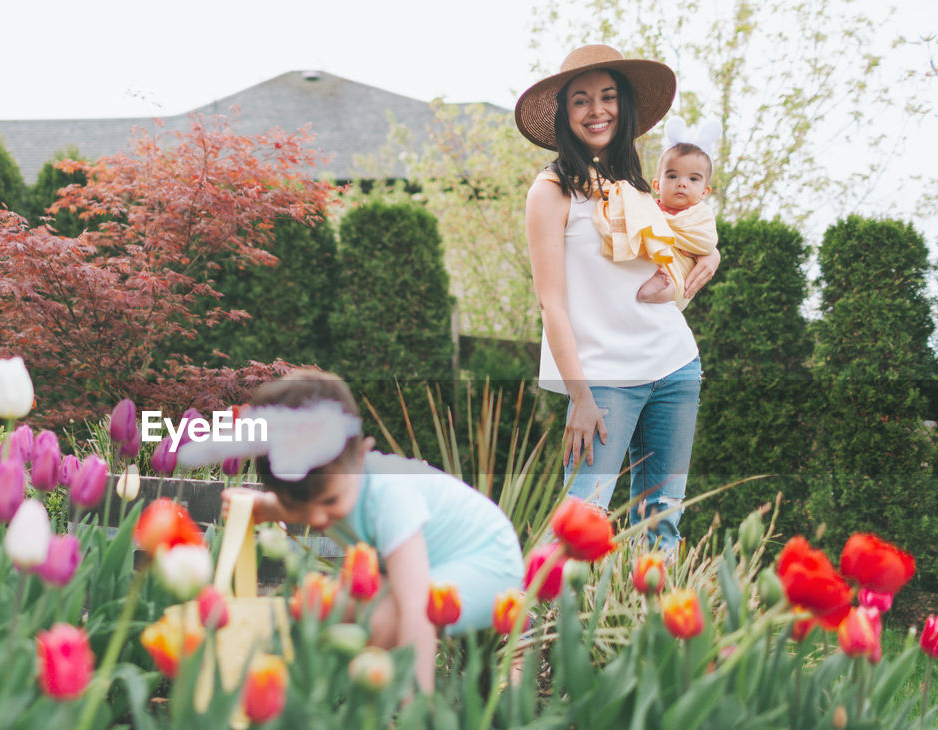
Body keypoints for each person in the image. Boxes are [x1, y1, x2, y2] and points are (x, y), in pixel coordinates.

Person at [204, 369, 524, 696]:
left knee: (381, 618)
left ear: (360, 456)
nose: (316, 517)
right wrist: (266, 506)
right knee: (328, 607)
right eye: (301, 506)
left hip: (485, 565)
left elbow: (417, 612)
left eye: (329, 501)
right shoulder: (334, 486)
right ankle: (328, 697)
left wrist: (417, 718)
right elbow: (309, 502)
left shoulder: (391, 498)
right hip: (435, 567)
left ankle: (389, 708)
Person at [515, 44, 720, 550]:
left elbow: (675, 245)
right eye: (581, 100)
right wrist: (580, 396)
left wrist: (709, 257)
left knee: (661, 524)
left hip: (674, 366)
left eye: (608, 97)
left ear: (623, 107)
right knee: (578, 525)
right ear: (565, 113)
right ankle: (542, 627)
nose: (597, 109)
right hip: (604, 380)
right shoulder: (550, 191)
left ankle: (650, 630)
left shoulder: (633, 185)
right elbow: (552, 305)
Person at [602, 116, 721, 307]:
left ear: (705, 191)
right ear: (657, 185)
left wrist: (708, 251)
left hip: (678, 269)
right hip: (649, 265)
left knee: (674, 287)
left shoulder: (700, 215)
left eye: (693, 179)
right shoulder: (647, 207)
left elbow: (705, 240)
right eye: (672, 176)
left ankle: (659, 288)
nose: (682, 183)